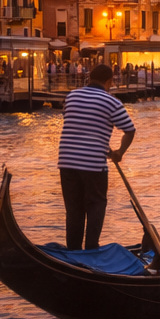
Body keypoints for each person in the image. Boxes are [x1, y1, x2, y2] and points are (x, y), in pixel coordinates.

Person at [56, 63, 137, 252]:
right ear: (110, 81)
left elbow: (78, 124)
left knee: (74, 208)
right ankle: (92, 248)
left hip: (66, 160)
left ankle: (74, 250)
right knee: (96, 203)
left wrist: (106, 148)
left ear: (89, 77)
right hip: (92, 163)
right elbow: (129, 130)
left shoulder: (71, 96)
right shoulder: (112, 102)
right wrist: (119, 153)